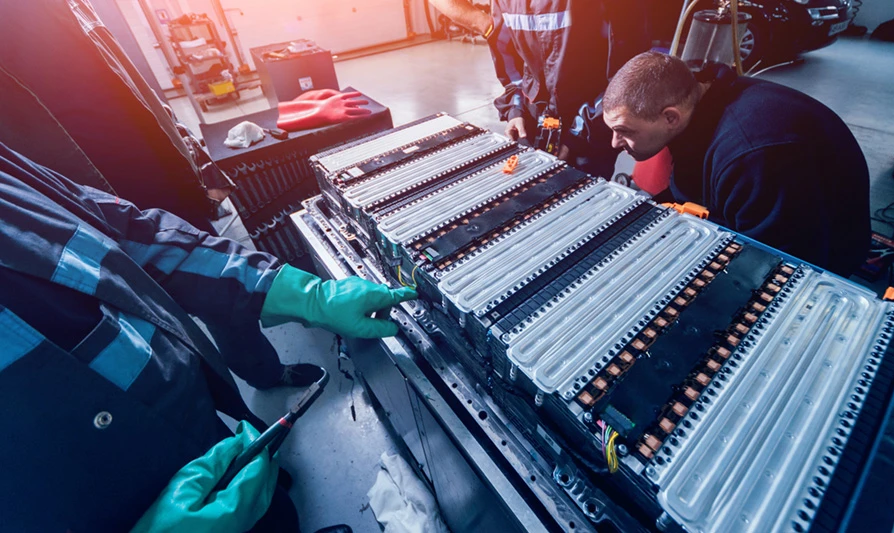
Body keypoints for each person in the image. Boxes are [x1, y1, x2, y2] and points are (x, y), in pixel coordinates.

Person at [0, 142, 416, 531]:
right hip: (107, 507)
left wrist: (306, 295)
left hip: (189, 423)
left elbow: (130, 234)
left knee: (261, 506)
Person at [0, 0, 327, 391]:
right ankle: (209, 422)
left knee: (217, 287)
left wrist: (195, 161)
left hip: (158, 182)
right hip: (84, 207)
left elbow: (137, 93)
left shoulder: (73, 8)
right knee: (148, 328)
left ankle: (264, 373)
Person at [602, 52, 870, 276]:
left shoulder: (755, 156)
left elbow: (779, 267)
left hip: (815, 260)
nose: (615, 143)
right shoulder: (703, 99)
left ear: (671, 118)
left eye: (625, 131)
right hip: (769, 215)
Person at [429, 0, 650, 179]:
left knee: (584, 197)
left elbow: (625, 80)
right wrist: (516, 109)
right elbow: (511, 64)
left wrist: (576, 138)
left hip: (592, 127)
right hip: (534, 119)